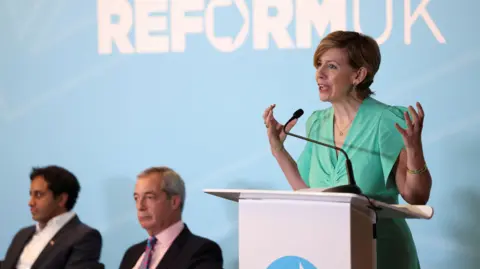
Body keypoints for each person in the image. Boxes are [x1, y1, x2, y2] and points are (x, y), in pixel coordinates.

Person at [262, 30, 432, 269]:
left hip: (381, 254)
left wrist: (414, 151)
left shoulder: (387, 121)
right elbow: (308, 192)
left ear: (358, 75)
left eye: (331, 66)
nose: (319, 74)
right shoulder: (317, 123)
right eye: (319, 65)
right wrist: (278, 149)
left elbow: (416, 196)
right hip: (332, 253)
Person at [119, 166, 223, 269]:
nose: (140, 206)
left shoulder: (203, 251)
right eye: (136, 198)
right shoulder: (132, 254)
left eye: (149, 197)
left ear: (174, 202)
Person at [1, 165, 103, 269]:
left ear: (61, 199)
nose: (30, 202)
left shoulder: (84, 237)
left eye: (38, 195)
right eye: (30, 194)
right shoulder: (23, 234)